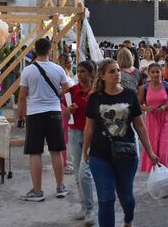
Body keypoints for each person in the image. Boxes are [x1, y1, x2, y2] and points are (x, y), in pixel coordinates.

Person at [82, 59, 159, 227]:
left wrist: (150, 152)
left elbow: (139, 125)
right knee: (106, 199)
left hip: (126, 153)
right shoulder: (95, 98)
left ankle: (128, 219)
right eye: (112, 71)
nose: (117, 73)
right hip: (99, 154)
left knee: (127, 198)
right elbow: (89, 127)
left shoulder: (129, 94)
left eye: (117, 70)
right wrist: (84, 150)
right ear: (102, 76)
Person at [17, 38, 71, 202]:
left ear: (35, 50)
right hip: (54, 112)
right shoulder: (58, 69)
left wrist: (20, 116)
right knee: (56, 151)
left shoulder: (28, 71)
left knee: (35, 153)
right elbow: (67, 91)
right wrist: (58, 96)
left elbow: (21, 97)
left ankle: (37, 191)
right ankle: (60, 187)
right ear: (49, 50)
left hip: (34, 114)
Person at [67, 61, 97, 226]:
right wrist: (68, 110)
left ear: (91, 73)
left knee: (84, 174)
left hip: (91, 135)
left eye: (83, 71)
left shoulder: (97, 92)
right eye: (78, 71)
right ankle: (84, 207)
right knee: (78, 173)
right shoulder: (72, 91)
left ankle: (91, 209)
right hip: (74, 133)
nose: (80, 74)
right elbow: (64, 108)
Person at [138, 63, 168, 171]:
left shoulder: (167, 86)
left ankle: (163, 170)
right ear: (149, 73)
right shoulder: (144, 88)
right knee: (153, 146)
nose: (155, 74)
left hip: (166, 119)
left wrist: (166, 106)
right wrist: (146, 108)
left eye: (158, 71)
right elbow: (138, 104)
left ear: (162, 73)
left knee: (164, 148)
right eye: (153, 72)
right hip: (152, 120)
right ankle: (154, 171)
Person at [58, 53, 75, 172]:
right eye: (68, 62)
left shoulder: (68, 73)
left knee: (66, 135)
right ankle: (62, 162)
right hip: (64, 106)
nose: (71, 63)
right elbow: (63, 92)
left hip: (68, 105)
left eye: (71, 61)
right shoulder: (62, 74)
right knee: (63, 135)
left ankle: (63, 160)